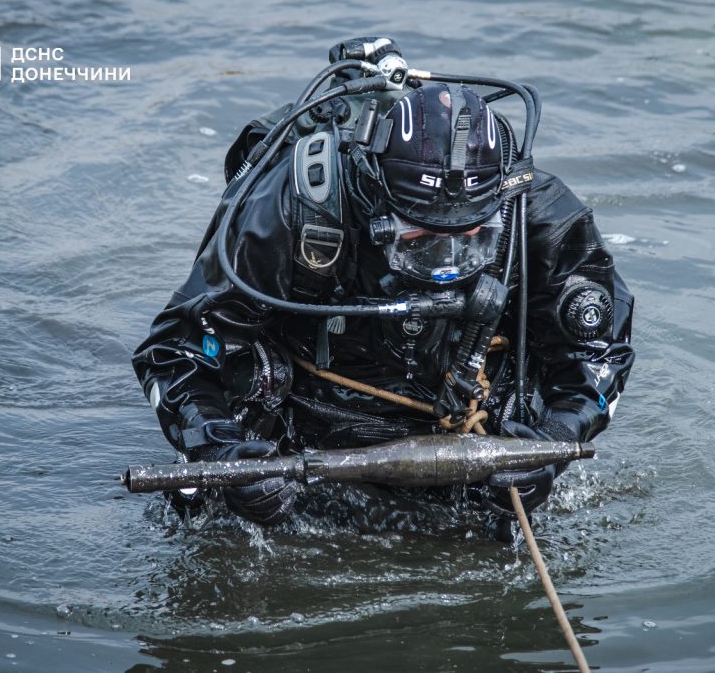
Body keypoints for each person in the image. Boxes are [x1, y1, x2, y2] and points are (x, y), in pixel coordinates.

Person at [132, 38, 635, 539]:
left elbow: (598, 352)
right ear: (376, 196)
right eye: (419, 240)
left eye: (467, 242)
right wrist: (220, 450)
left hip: (468, 417)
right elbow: (176, 352)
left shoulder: (539, 217)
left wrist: (553, 443)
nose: (444, 264)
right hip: (310, 416)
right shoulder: (297, 212)